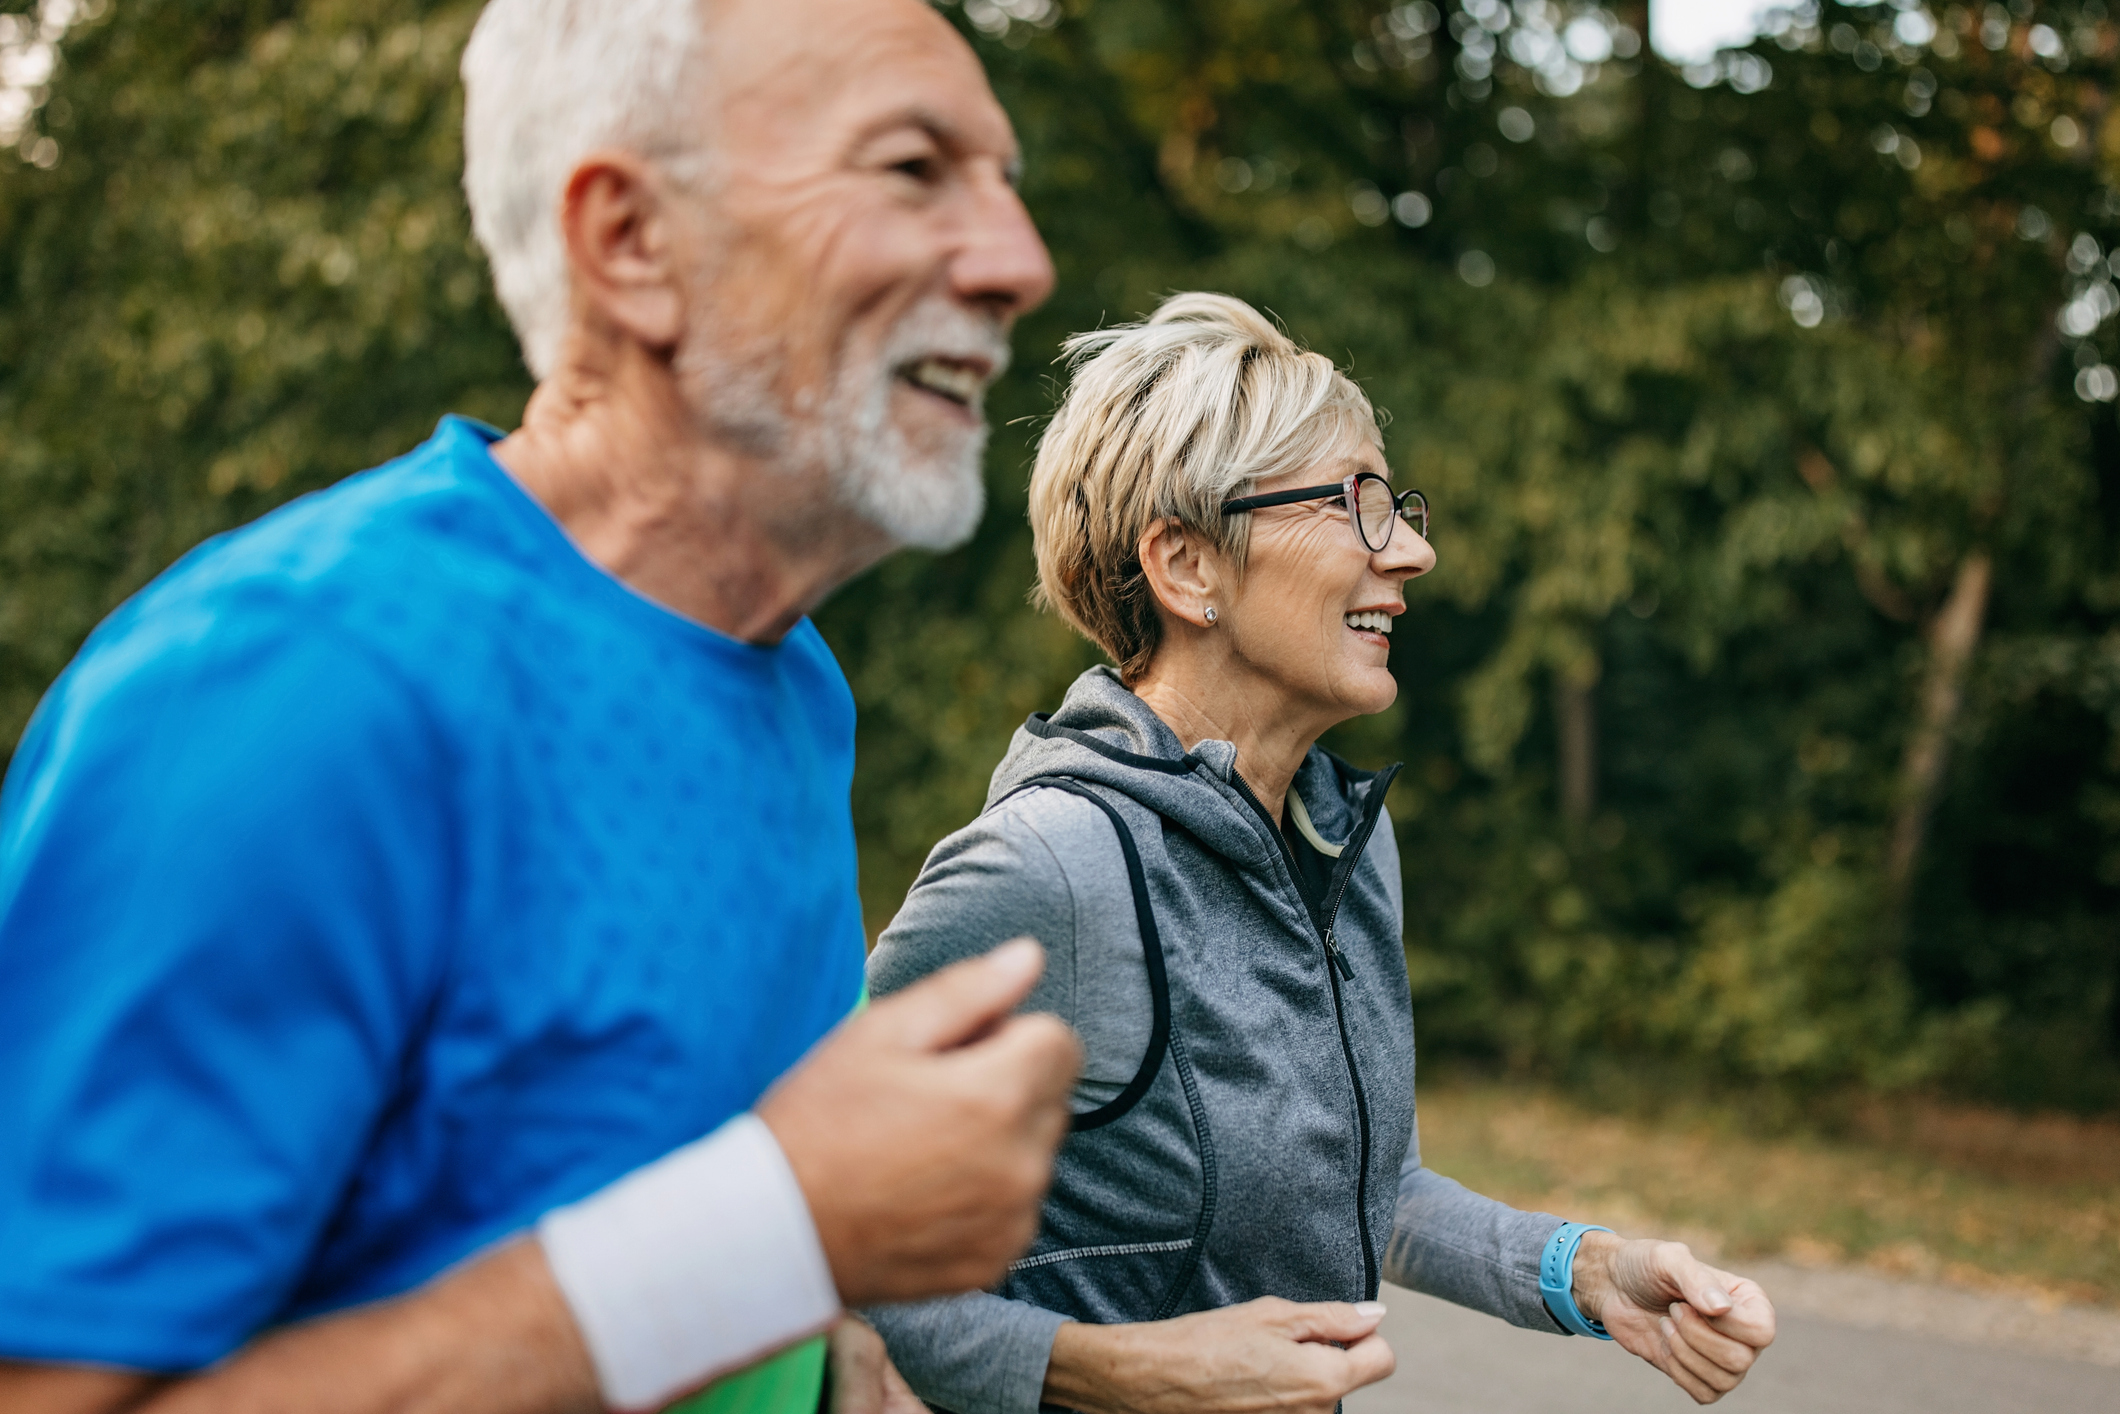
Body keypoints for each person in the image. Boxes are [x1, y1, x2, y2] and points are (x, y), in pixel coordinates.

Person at [0, 1, 1081, 1411]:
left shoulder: (787, 675)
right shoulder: (287, 689)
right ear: (632, 243)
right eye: (910, 169)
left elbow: (679, 1200)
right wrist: (767, 1239)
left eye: (1001, 179)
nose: (1021, 262)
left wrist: (831, 1352)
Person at [864, 293, 1780, 1414]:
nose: (1412, 549)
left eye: (1395, 504)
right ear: (1187, 565)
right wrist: (1119, 1372)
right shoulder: (1051, 868)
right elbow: (816, 1250)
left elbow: (1362, 1187)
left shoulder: (1340, 834)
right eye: (1356, 503)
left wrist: (1585, 1271)